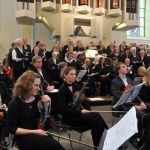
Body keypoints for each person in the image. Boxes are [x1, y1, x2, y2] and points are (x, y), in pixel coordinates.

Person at [7, 70, 65, 150]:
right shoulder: (14, 104)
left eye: (39, 85)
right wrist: (34, 132)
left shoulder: (38, 99)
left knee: (56, 146)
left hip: (39, 132)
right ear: (26, 85)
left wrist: (48, 105)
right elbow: (12, 129)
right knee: (54, 146)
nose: (39, 88)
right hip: (24, 137)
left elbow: (45, 120)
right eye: (36, 85)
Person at [58, 67, 108, 150]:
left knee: (97, 123)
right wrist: (80, 112)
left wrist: (88, 110)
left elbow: (85, 102)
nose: (74, 76)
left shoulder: (77, 86)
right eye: (71, 74)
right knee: (96, 118)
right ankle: (106, 141)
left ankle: (100, 146)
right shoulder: (62, 89)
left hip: (79, 114)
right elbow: (64, 110)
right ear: (65, 76)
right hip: (69, 118)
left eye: (75, 74)